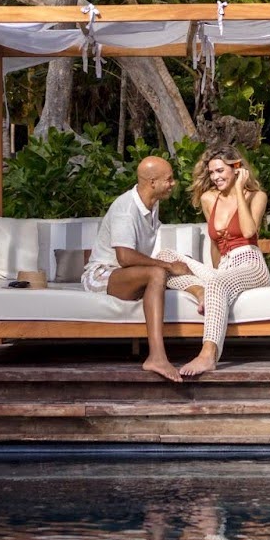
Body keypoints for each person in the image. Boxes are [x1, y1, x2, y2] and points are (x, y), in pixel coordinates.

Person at [165, 147, 270, 377]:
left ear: (237, 169)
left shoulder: (256, 195)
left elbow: (249, 230)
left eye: (220, 170)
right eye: (211, 172)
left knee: (218, 284)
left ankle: (208, 355)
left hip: (251, 263)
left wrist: (241, 192)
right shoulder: (208, 198)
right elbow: (215, 244)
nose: (215, 177)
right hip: (225, 267)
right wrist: (213, 275)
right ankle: (201, 291)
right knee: (164, 257)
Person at [82, 155, 187, 382]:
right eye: (169, 179)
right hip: (102, 274)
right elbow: (125, 257)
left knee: (165, 274)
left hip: (126, 274)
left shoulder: (152, 203)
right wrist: (167, 265)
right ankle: (157, 357)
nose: (173, 183)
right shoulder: (126, 209)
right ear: (152, 183)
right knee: (159, 272)